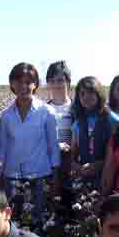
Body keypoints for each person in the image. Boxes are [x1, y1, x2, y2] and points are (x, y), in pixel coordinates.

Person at [0, 62, 61, 230]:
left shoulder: (47, 112)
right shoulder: (6, 115)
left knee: (37, 224)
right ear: (12, 84)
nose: (23, 86)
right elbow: (2, 148)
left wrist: (55, 178)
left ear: (35, 84)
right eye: (18, 81)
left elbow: (53, 147)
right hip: (12, 178)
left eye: (28, 82)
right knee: (12, 225)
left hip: (39, 177)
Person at [70, 76, 119, 183]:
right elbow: (73, 154)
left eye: (90, 92)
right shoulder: (78, 123)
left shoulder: (113, 120)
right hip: (84, 179)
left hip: (107, 179)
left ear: (98, 93)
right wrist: (76, 166)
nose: (86, 97)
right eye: (82, 94)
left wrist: (99, 165)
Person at [45, 61, 74, 211]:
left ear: (68, 82)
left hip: (72, 167)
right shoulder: (43, 109)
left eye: (61, 80)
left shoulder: (77, 109)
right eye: (52, 80)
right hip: (49, 170)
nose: (56, 84)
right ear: (48, 83)